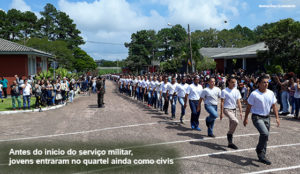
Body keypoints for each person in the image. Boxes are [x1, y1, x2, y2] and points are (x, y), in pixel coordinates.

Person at [243, 75, 280, 165]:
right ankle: (259, 149)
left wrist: (277, 118)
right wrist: (246, 118)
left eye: (267, 82)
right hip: (257, 117)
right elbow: (248, 107)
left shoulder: (271, 93)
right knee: (264, 133)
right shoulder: (254, 94)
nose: (266, 84)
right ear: (259, 84)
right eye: (264, 82)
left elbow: (274, 106)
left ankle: (262, 156)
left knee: (265, 137)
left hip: (267, 117)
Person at [220, 76, 243, 149]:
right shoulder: (224, 91)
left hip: (234, 110)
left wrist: (241, 112)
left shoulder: (237, 91)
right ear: (228, 82)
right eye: (232, 82)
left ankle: (230, 142)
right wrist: (221, 113)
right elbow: (222, 102)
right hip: (227, 109)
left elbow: (238, 102)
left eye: (235, 82)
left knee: (232, 125)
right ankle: (229, 134)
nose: (234, 83)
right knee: (235, 121)